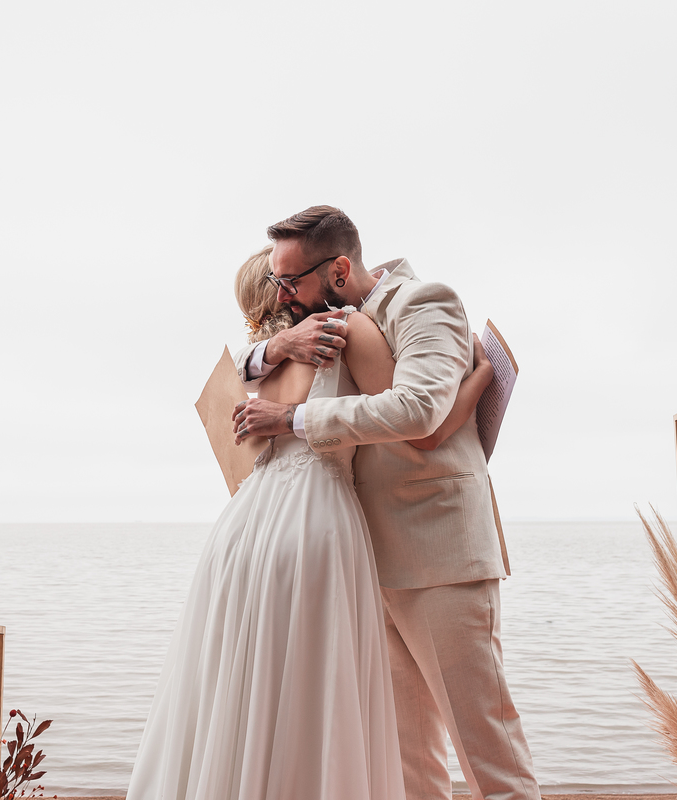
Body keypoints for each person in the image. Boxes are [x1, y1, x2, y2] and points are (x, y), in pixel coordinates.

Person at [127, 244, 493, 800]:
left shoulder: (256, 363)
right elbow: (421, 426)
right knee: (310, 697)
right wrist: (480, 378)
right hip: (314, 523)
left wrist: (270, 348)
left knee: (241, 697)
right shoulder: (347, 330)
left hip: (242, 530)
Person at [232, 206, 539, 800]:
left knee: (488, 755)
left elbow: (419, 412)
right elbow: (243, 370)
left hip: (440, 558)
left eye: (292, 281)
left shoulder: (425, 302)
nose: (284, 294)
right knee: (407, 762)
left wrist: (293, 419)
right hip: (370, 564)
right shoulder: (328, 323)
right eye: (277, 281)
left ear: (340, 269)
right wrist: (276, 352)